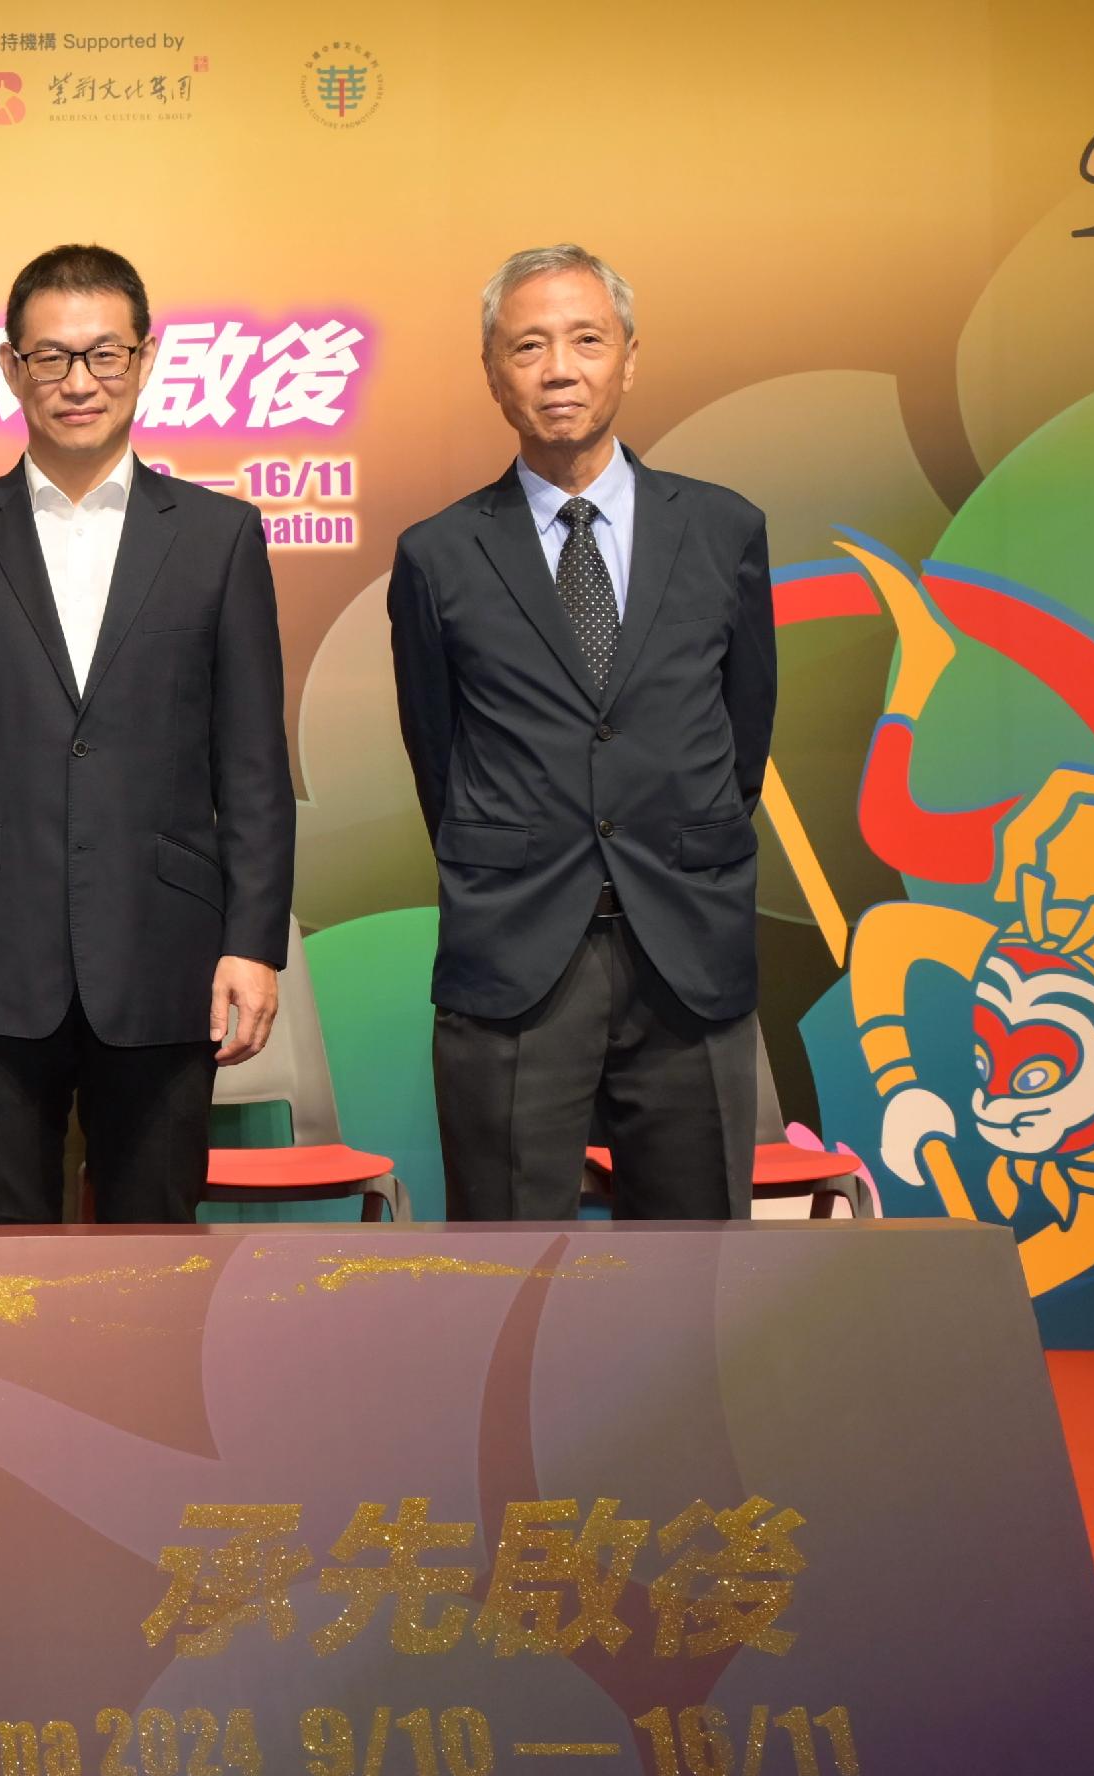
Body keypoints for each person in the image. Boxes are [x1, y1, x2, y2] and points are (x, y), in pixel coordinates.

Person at [0, 244, 293, 1226]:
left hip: (166, 954)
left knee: (155, 1253)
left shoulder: (217, 536)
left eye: (104, 354)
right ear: (8, 369)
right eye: (51, 357)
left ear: (145, 360)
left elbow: (250, 761)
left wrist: (252, 942)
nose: (79, 381)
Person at [391, 243, 776, 1220]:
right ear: (492, 372)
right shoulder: (438, 556)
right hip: (517, 953)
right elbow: (439, 756)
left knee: (697, 1282)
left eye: (584, 340)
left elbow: (742, 736)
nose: (558, 368)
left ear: (628, 357)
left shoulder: (724, 531)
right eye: (527, 345)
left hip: (684, 947)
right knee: (507, 1276)